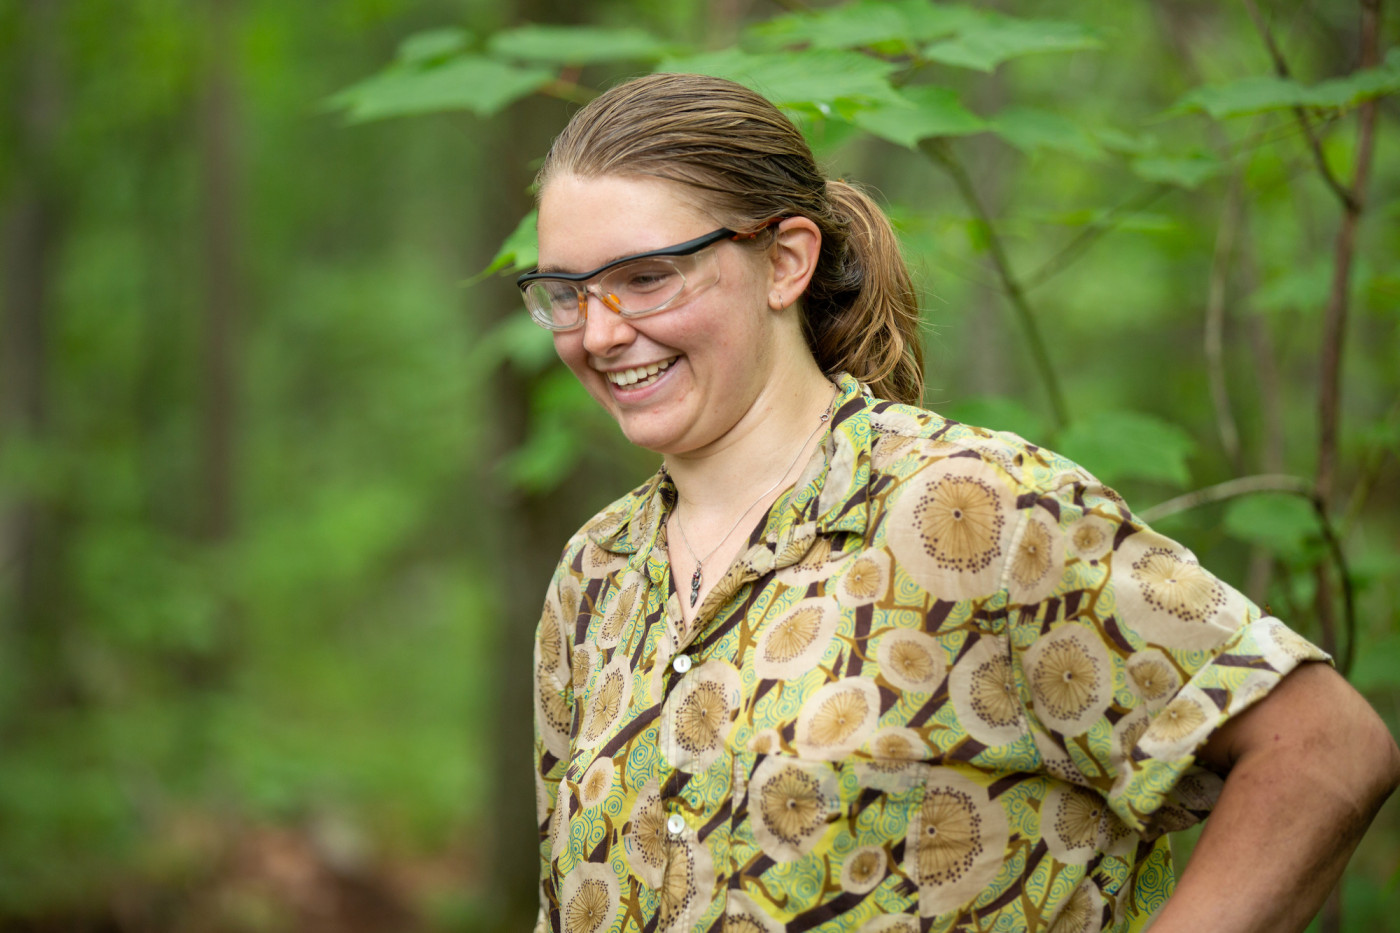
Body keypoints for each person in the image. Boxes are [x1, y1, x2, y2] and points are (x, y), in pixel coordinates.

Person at [522, 72, 1399, 933]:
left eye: (645, 277)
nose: (599, 332)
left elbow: (1325, 751)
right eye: (566, 292)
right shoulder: (593, 577)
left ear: (785, 261)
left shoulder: (971, 511)